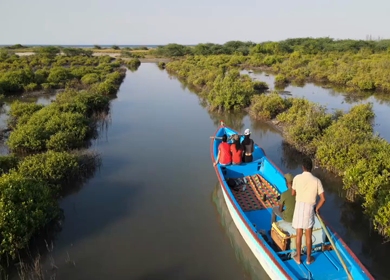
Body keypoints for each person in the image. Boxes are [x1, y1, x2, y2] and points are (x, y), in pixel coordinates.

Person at [291, 158, 326, 265]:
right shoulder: (317, 181)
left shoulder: (297, 177)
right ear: (311, 168)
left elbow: (293, 193)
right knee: (309, 235)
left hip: (299, 206)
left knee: (299, 234)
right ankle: (308, 259)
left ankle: (298, 258)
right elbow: (323, 199)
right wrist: (317, 208)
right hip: (310, 208)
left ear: (303, 167)